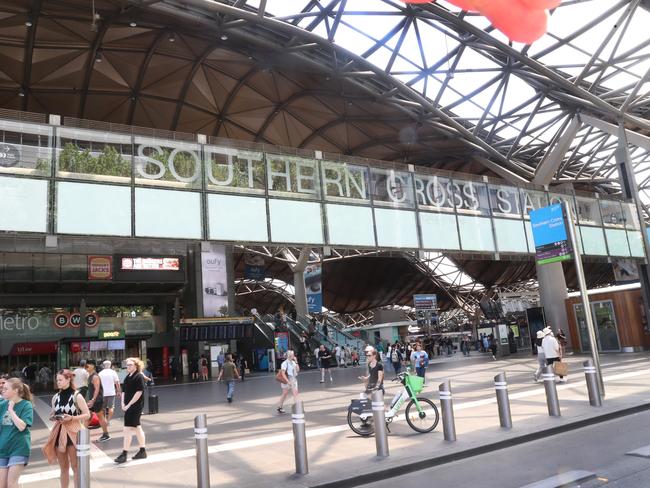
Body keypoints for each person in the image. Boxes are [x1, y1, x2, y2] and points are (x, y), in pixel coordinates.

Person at [43, 370, 91, 488]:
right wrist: (53, 417)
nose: (58, 382)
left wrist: (71, 418)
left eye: (60, 380)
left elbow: (87, 414)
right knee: (63, 467)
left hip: (73, 432)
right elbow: (53, 412)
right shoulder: (56, 397)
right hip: (59, 432)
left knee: (75, 466)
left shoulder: (76, 395)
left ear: (68, 379)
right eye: (57, 380)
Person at [0, 378, 33, 488]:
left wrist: (11, 411)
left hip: (19, 448)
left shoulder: (26, 405)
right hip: (3, 448)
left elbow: (21, 426)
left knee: (11, 484)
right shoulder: (2, 404)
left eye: (6, 388)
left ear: (16, 390)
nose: (2, 390)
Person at [114, 358, 147, 464]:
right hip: (129, 406)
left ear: (136, 366)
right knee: (137, 428)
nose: (128, 366)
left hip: (135, 407)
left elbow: (139, 392)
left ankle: (124, 453)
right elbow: (124, 391)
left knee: (127, 429)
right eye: (127, 365)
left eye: (130, 365)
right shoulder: (127, 377)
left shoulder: (139, 376)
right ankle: (142, 451)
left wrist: (128, 405)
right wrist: (123, 403)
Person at [84, 359, 107, 440]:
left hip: (97, 400)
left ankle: (106, 434)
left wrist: (93, 400)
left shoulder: (95, 376)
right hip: (92, 400)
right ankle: (82, 434)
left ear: (93, 366)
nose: (86, 366)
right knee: (88, 416)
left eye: (88, 364)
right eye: (86, 364)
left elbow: (97, 389)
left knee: (100, 417)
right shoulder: (90, 376)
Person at [98, 360, 121, 428]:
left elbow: (97, 384)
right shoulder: (113, 372)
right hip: (111, 392)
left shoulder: (100, 373)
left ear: (103, 365)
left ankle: (103, 420)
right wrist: (119, 391)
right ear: (110, 365)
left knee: (103, 408)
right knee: (111, 407)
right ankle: (108, 421)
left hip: (102, 393)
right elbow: (117, 383)